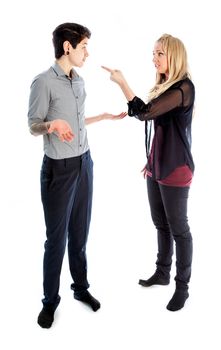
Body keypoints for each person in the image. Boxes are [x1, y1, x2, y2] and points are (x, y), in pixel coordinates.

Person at [28, 22, 126, 328]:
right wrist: (51, 125)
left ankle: (81, 289)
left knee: (80, 234)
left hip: (85, 163)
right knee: (56, 240)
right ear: (67, 47)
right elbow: (33, 125)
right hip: (58, 170)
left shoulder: (79, 81)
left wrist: (104, 117)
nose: (87, 52)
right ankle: (49, 303)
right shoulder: (43, 82)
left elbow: (77, 120)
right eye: (83, 46)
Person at [102, 33, 195, 311]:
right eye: (153, 53)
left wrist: (122, 83)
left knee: (180, 230)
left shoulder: (183, 88)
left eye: (160, 54)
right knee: (160, 223)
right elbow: (156, 124)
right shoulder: (165, 85)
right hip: (157, 166)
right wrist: (152, 160)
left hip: (176, 169)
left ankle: (183, 287)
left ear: (174, 56)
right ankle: (163, 272)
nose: (154, 59)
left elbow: (143, 113)